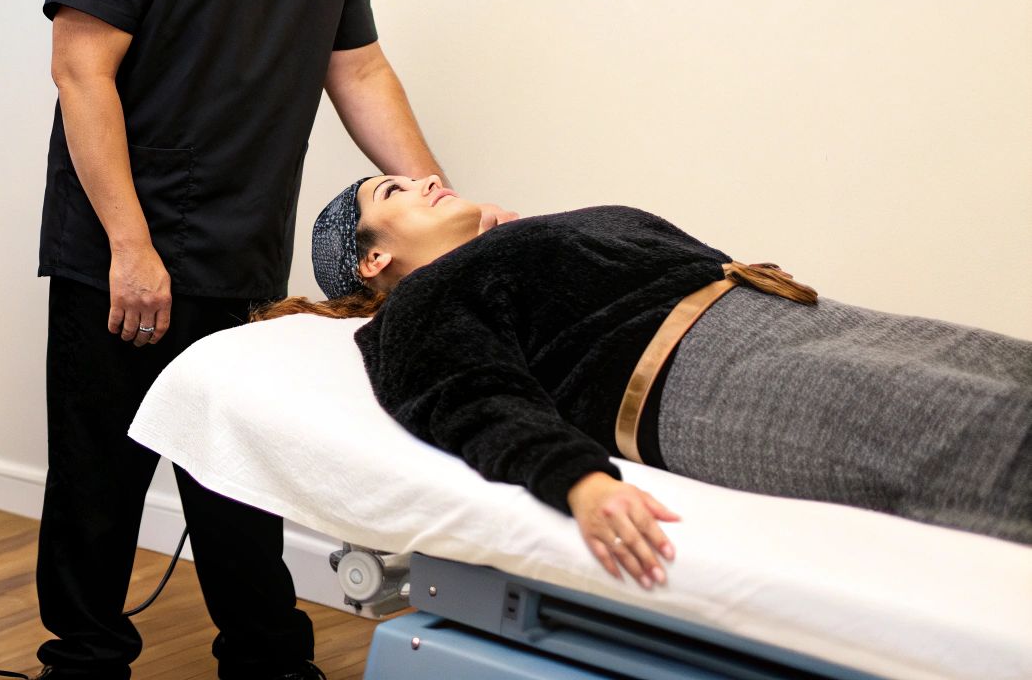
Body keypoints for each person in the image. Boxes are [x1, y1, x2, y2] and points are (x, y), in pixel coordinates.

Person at [36, 0, 451, 680]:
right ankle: (85, 663)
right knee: (100, 482)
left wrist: (438, 208)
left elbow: (358, 68)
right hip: (124, 247)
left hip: (245, 245)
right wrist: (131, 246)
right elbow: (81, 71)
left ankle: (269, 664)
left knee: (241, 483)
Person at [262, 174, 1032, 589]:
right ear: (373, 259)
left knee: (1007, 370)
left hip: (792, 317)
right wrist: (579, 482)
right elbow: (469, 399)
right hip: (708, 379)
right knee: (972, 424)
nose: (425, 177)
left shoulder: (511, 244)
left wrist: (524, 239)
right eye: (391, 192)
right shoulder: (420, 307)